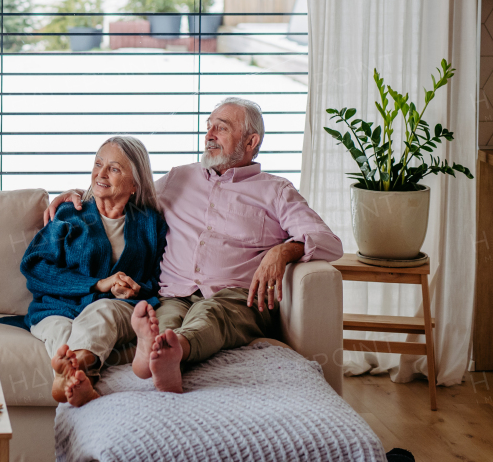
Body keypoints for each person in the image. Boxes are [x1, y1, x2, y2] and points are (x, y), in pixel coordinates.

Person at [44, 97, 342, 394]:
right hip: (174, 294)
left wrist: (283, 250)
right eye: (208, 127)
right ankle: (151, 354)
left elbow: (328, 242)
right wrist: (78, 193)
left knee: (210, 314)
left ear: (252, 141)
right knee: (159, 322)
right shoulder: (179, 177)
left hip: (236, 298)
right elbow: (127, 193)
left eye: (221, 129)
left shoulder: (276, 191)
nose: (209, 135)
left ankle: (174, 352)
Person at [0, 136, 167, 407]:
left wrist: (134, 289)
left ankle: (66, 373)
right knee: (59, 330)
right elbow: (34, 267)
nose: (100, 174)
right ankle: (77, 378)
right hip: (58, 307)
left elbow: (156, 280)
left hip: (117, 307)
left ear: (135, 184)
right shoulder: (69, 214)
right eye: (97, 164)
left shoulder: (150, 223)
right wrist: (97, 283)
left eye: (113, 169)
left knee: (102, 312)